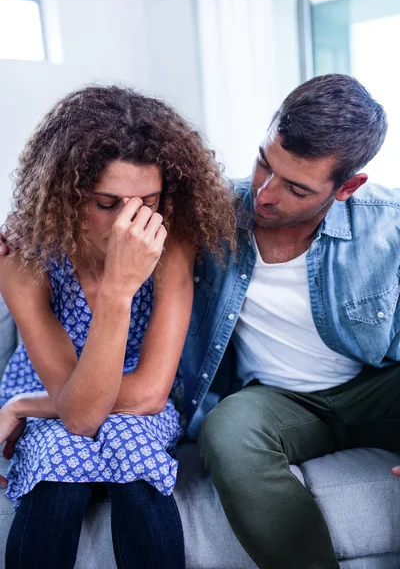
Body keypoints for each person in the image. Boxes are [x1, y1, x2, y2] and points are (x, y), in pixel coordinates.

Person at [0, 85, 236, 569]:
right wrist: (119, 289)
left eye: (147, 201)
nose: (131, 224)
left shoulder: (170, 242)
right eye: (108, 204)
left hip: (122, 400)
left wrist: (25, 406)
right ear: (67, 197)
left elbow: (149, 394)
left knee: (134, 447)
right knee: (58, 454)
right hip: (59, 388)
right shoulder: (24, 257)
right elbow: (80, 415)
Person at [178, 74, 400, 569]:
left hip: (375, 388)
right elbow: (104, 214)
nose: (266, 194)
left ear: (347, 187)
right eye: (263, 163)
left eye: (297, 187)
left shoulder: (390, 224)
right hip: (277, 402)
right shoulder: (212, 212)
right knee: (226, 430)